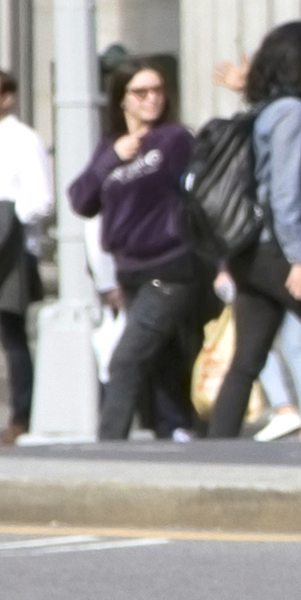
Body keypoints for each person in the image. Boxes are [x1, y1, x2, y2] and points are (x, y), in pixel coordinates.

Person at [202, 21, 301, 441]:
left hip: (250, 252)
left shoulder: (269, 109)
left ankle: (216, 452)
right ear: (300, 61)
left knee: (248, 358)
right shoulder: (292, 113)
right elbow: (285, 193)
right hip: (275, 251)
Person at [76, 60, 207, 442]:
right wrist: (111, 158)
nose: (152, 99)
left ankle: (108, 444)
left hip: (169, 266)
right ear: (122, 99)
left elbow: (196, 190)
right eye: (140, 92)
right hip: (129, 270)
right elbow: (82, 200)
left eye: (157, 91)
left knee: (126, 360)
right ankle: (177, 430)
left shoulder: (174, 140)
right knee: (161, 361)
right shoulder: (110, 148)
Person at [0, 66, 56, 443]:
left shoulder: (23, 140)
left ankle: (22, 416)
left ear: (8, 98)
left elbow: (41, 198)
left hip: (13, 249)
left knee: (12, 335)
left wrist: (6, 221)